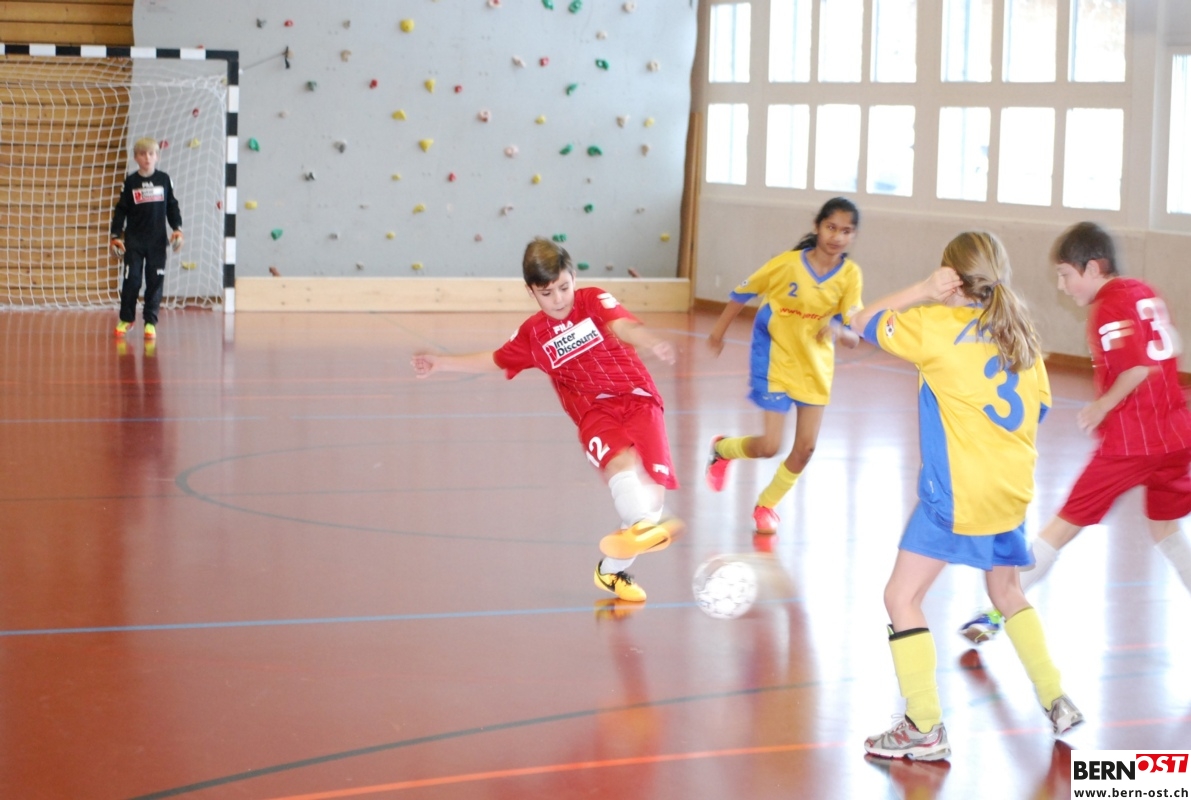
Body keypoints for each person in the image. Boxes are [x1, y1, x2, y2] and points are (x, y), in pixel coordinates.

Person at [852, 231, 1083, 761]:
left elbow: (861, 319)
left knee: (901, 597)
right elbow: (1041, 410)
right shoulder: (1020, 336)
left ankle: (923, 725)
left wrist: (921, 290)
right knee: (1006, 592)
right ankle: (1056, 697)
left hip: (958, 496)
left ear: (951, 279)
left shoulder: (934, 326)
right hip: (1011, 494)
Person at [411, 237, 681, 602]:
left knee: (651, 500)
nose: (558, 300)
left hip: (639, 399)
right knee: (622, 463)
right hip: (593, 412)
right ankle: (642, 525)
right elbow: (495, 360)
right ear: (531, 292)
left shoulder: (593, 300)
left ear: (573, 277)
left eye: (564, 287)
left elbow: (622, 325)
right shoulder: (533, 335)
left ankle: (611, 570)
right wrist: (441, 363)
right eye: (547, 293)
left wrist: (649, 340)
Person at [960, 222, 1191, 643]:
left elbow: (1138, 367)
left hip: (1133, 442)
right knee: (1166, 530)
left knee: (1061, 527)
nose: (1062, 286)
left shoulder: (1109, 305)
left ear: (1094, 268)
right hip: (1176, 437)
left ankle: (994, 614)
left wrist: (1102, 405)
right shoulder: (1143, 291)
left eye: (1066, 274)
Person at [704, 197, 863, 535]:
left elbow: (854, 336)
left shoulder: (850, 276)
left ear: (853, 236)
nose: (837, 236)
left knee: (805, 449)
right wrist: (717, 333)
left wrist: (839, 331)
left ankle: (766, 505)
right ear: (817, 226)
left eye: (846, 231)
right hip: (774, 360)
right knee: (769, 447)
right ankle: (722, 449)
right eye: (831, 227)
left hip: (815, 368)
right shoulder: (786, 265)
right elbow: (741, 293)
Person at [109, 137, 183, 340]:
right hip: (134, 241)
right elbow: (121, 210)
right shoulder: (130, 182)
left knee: (154, 282)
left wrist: (177, 229)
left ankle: (150, 322)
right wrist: (115, 235)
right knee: (131, 280)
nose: (147, 158)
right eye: (142, 154)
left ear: (157, 156)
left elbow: (172, 207)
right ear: (136, 158)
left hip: (157, 242)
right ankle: (127, 319)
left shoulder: (164, 180)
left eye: (151, 154)